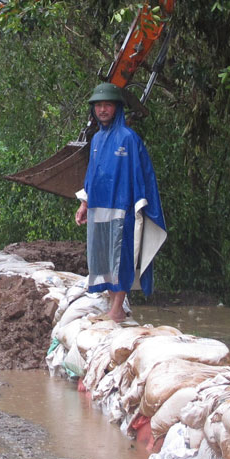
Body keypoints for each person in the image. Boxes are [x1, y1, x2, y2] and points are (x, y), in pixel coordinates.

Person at [73, 82, 167, 322]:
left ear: (117, 108)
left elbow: (141, 173)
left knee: (121, 256)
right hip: (99, 208)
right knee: (102, 256)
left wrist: (138, 204)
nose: (102, 110)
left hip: (122, 208)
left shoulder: (128, 138)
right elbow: (92, 175)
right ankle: (115, 307)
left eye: (108, 105)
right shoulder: (96, 139)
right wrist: (84, 203)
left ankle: (116, 310)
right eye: (98, 105)